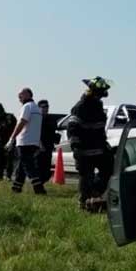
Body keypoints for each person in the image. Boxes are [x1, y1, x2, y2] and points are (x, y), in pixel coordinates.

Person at [66, 76, 113, 211]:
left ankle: (95, 192)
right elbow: (72, 128)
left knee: (109, 169)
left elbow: (99, 129)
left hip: (98, 148)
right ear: (94, 92)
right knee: (86, 176)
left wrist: (105, 145)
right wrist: (76, 147)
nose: (101, 98)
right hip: (84, 149)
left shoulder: (98, 106)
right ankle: (83, 203)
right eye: (100, 95)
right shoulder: (80, 107)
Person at [6, 87, 46, 194]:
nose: (19, 97)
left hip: (25, 141)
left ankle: (39, 188)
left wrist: (12, 138)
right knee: (22, 165)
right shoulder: (37, 108)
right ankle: (16, 187)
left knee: (28, 166)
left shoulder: (27, 107)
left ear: (29, 95)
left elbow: (22, 123)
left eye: (21, 94)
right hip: (33, 142)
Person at [0, 103, 17, 181]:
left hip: (9, 140)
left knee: (9, 159)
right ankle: (0, 176)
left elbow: (16, 127)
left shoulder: (10, 117)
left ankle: (8, 176)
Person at [36, 99, 60, 184]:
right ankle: (39, 185)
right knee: (39, 166)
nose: (45, 108)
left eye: (47, 106)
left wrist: (56, 138)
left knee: (47, 169)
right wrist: (40, 144)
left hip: (49, 146)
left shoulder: (51, 119)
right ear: (38, 108)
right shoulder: (36, 119)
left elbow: (54, 131)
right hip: (39, 146)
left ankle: (41, 182)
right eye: (43, 107)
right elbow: (35, 133)